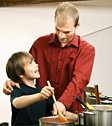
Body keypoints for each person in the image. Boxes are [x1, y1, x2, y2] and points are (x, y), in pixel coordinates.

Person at [3, 2, 95, 114]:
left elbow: (79, 80)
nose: (61, 36)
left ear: (77, 26)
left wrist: (63, 102)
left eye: (67, 32)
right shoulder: (40, 43)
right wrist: (13, 81)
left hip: (71, 111)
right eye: (57, 29)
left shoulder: (86, 49)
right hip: (41, 111)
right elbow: (25, 67)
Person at [6, 51, 54, 126]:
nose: (37, 65)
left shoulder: (43, 91)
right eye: (30, 63)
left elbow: (54, 111)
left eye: (34, 61)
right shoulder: (17, 89)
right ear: (20, 73)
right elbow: (16, 103)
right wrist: (40, 96)